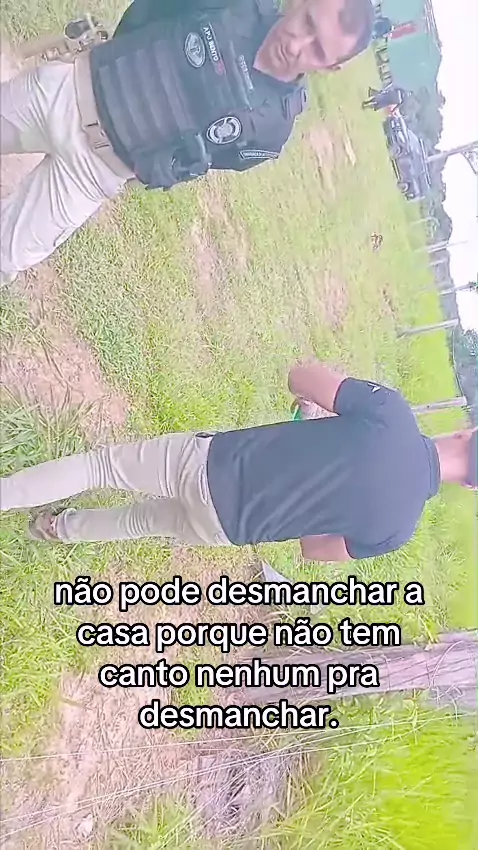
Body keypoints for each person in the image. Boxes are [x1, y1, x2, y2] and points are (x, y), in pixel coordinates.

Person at [0, 0, 375, 286]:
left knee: (5, 256)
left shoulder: (273, 129)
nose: (297, 46)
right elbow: (148, 12)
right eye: (307, 23)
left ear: (331, 67)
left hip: (92, 176)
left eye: (318, 50)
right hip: (66, 92)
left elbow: (212, 157)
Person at [2, 359, 476, 562]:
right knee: (139, 522)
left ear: (467, 432)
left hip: (215, 465)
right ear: (471, 486)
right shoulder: (398, 531)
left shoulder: (392, 413)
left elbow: (301, 375)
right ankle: (56, 528)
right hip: (228, 528)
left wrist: (315, 413)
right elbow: (313, 550)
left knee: (101, 467)